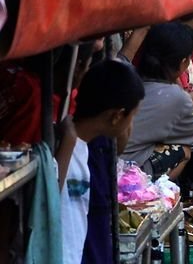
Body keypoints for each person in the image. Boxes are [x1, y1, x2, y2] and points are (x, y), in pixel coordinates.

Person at [58, 60, 145, 264]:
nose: (131, 125)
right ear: (116, 116)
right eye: (132, 116)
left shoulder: (83, 147)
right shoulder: (67, 151)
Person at [123, 23, 193, 179]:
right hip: (129, 172)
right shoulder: (176, 96)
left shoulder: (124, 75)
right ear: (183, 63)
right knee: (184, 151)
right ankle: (154, 194)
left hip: (102, 162)